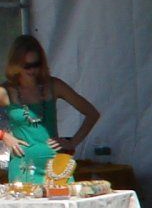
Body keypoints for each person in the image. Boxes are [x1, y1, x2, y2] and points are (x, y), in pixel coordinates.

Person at [0, 35, 103, 184]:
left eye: (36, 64)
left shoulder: (54, 86)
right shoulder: (7, 91)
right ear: (16, 65)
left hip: (56, 167)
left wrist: (72, 142)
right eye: (27, 66)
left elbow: (92, 113)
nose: (32, 70)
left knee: (64, 204)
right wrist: (4, 136)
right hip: (24, 168)